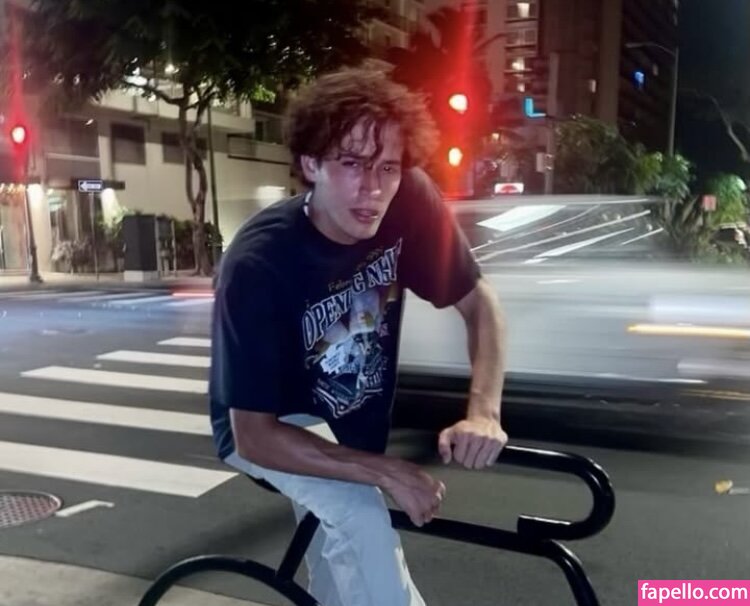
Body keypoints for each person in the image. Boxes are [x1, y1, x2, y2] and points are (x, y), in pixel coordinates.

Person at [209, 67, 507, 606]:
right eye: (351, 163)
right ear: (311, 165)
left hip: (351, 423)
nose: (372, 188)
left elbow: (478, 301)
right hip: (272, 423)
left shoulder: (408, 201)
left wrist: (484, 412)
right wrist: (384, 471)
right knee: (361, 516)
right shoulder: (258, 262)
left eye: (386, 167)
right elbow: (252, 434)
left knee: (343, 577)